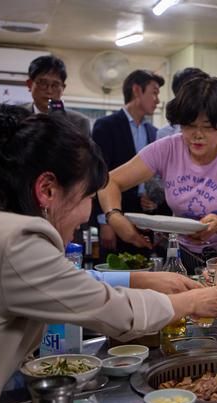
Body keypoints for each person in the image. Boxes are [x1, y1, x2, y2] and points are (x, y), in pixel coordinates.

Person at [0, 105, 217, 403]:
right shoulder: (13, 239)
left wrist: (142, 278)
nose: (87, 213)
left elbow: (68, 282)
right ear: (47, 189)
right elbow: (111, 311)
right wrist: (192, 302)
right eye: (88, 196)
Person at [98, 76, 217, 273]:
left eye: (207, 127)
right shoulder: (168, 148)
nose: (197, 135)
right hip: (182, 254)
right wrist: (114, 217)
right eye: (189, 125)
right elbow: (109, 182)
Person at [91, 70, 166, 260]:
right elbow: (99, 175)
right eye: (154, 92)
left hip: (144, 220)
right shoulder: (106, 126)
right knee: (115, 270)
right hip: (115, 214)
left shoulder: (153, 132)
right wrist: (105, 221)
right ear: (137, 90)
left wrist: (152, 199)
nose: (157, 100)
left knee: (144, 269)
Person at [23, 55, 90, 136]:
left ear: (63, 88)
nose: (49, 91)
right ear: (30, 84)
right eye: (43, 83)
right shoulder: (15, 116)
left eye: (55, 85)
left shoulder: (79, 122)